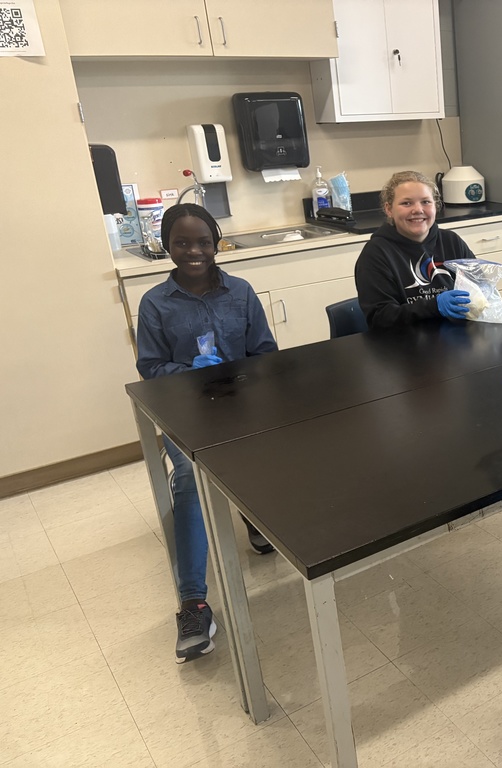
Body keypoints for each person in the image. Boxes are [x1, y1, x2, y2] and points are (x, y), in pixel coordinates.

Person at [136, 203, 279, 663]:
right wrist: (186, 371)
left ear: (216, 243)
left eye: (203, 241)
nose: (194, 251)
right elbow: (150, 368)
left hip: (242, 406)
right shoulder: (155, 303)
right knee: (190, 480)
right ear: (167, 246)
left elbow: (266, 353)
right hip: (187, 413)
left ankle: (257, 519)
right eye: (182, 242)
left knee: (275, 452)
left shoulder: (240, 293)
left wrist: (242, 372)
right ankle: (194, 603)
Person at [354, 170, 477, 329]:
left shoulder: (451, 241)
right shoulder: (376, 254)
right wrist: (434, 307)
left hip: (455, 338)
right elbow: (380, 318)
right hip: (403, 345)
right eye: (406, 203)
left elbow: (478, 288)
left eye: (426, 202)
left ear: (435, 206)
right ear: (389, 209)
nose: (418, 209)